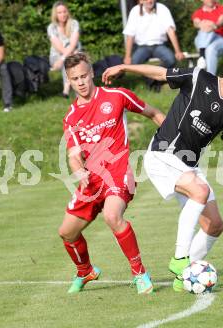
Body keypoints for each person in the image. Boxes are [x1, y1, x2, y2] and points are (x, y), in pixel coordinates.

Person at [102, 48, 223, 291]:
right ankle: (180, 259)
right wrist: (125, 67)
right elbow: (161, 73)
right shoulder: (199, 78)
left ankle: (183, 278)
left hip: (188, 165)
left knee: (214, 225)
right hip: (162, 155)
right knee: (200, 191)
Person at [59, 52, 165, 294]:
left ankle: (140, 273)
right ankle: (85, 271)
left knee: (112, 216)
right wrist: (79, 173)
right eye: (75, 78)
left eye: (84, 75)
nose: (81, 82)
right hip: (91, 181)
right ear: (69, 80)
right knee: (67, 232)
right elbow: (74, 155)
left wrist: (176, 141)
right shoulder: (71, 117)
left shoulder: (116, 96)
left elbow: (154, 113)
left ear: (92, 73)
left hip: (119, 172)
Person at [123, 0, 185, 71]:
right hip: (142, 47)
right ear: (140, 1)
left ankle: (155, 77)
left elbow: (171, 31)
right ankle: (151, 77)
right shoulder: (134, 11)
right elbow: (130, 35)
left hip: (160, 46)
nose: (149, 1)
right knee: (133, 64)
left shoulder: (162, 8)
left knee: (171, 60)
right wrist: (127, 56)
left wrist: (178, 51)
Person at [47, 1, 82, 98]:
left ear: (68, 12)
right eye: (59, 12)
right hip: (56, 56)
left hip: (72, 54)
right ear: (55, 14)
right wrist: (65, 57)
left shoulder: (74, 24)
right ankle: (78, 93)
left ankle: (67, 87)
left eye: (64, 11)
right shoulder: (51, 27)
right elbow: (60, 48)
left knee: (71, 61)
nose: (62, 14)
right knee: (70, 60)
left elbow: (73, 44)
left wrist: (63, 58)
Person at [192, 0, 223, 75]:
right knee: (202, 32)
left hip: (220, 39)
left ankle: (202, 59)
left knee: (211, 48)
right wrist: (204, 24)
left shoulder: (222, 9)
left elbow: (222, 19)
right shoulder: (198, 12)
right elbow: (196, 23)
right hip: (203, 38)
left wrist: (213, 25)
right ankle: (202, 56)